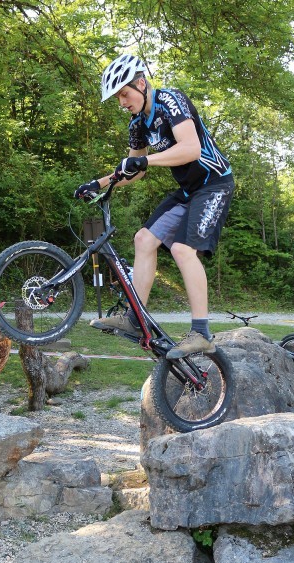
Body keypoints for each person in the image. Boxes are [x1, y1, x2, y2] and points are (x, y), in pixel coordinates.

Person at [74, 54, 234, 359]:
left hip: (214, 184)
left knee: (182, 250)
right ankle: (136, 319)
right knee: (143, 239)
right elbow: (135, 169)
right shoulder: (138, 124)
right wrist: (100, 183)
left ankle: (201, 333)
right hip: (189, 190)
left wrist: (144, 159)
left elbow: (190, 149)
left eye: (124, 93)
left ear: (141, 83)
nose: (122, 102)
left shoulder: (170, 100)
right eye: (117, 97)